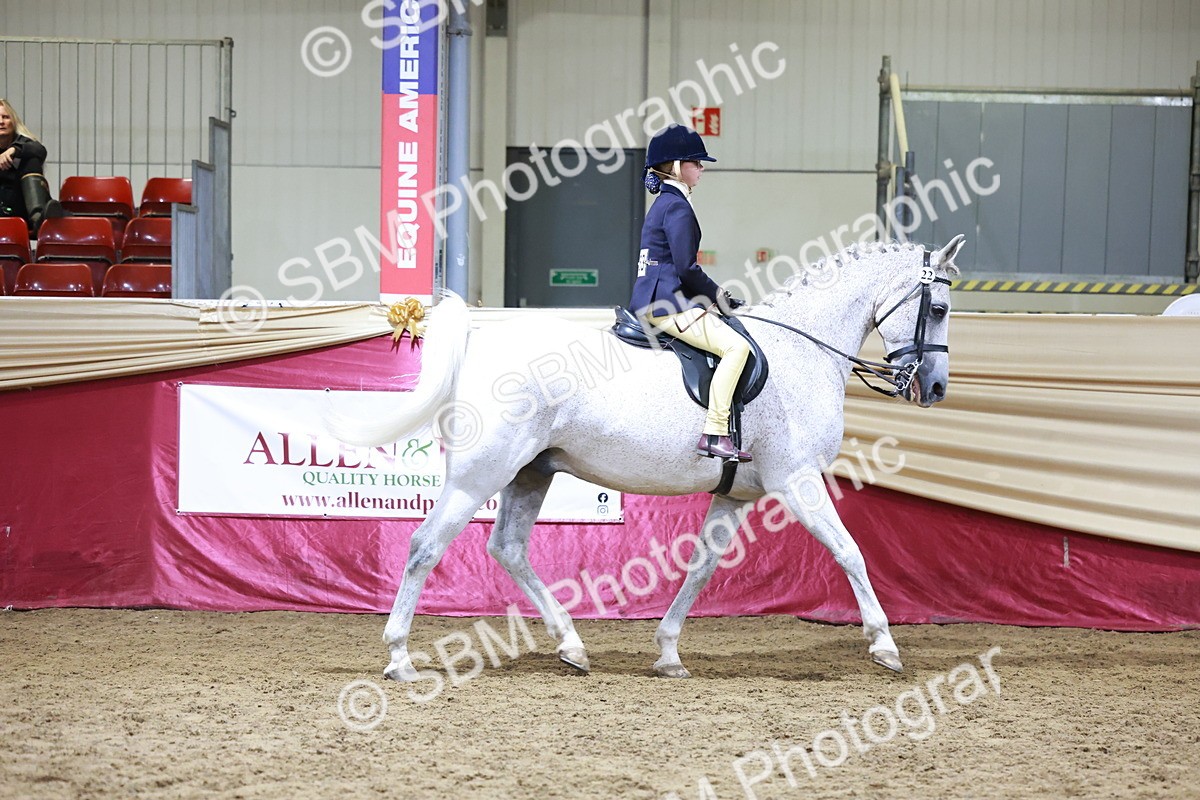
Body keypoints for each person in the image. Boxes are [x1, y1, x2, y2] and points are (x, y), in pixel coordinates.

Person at [629, 123, 752, 463]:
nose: (702, 169)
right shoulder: (677, 206)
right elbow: (686, 268)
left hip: (659, 297)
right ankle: (715, 432)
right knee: (735, 347)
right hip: (665, 303)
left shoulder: (665, 203)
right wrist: (719, 296)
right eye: (696, 163)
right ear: (677, 166)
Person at [0, 98, 61, 234]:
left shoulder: (23, 142)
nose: (1, 122)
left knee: (31, 159)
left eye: (5, 117)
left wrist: (14, 150)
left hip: (20, 207)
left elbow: (40, 150)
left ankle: (38, 217)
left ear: (13, 121)